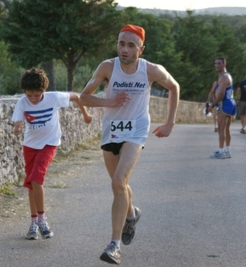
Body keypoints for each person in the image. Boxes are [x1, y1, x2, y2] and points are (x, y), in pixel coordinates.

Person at [79, 24, 179, 265]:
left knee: (117, 181)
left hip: (136, 129)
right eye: (121, 43)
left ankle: (114, 245)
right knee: (120, 185)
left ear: (140, 50)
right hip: (112, 130)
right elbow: (83, 97)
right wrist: (108, 102)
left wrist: (169, 124)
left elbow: (174, 87)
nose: (124, 49)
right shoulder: (107, 67)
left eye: (131, 45)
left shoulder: (151, 70)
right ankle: (132, 213)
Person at [12, 68, 92, 240]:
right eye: (29, 95)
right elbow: (19, 120)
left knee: (36, 178)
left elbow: (77, 97)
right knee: (30, 183)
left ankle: (42, 220)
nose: (33, 99)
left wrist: (85, 114)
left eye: (36, 95)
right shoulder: (22, 102)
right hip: (30, 146)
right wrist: (18, 126)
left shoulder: (54, 97)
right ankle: (33, 224)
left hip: (49, 144)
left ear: (44, 91)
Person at [208, 57, 236, 159]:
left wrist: (212, 105)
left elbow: (221, 94)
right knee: (227, 129)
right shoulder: (226, 76)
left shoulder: (224, 77)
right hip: (230, 102)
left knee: (221, 129)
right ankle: (227, 150)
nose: (217, 65)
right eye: (215, 63)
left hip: (225, 103)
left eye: (219, 63)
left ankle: (221, 152)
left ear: (224, 65)